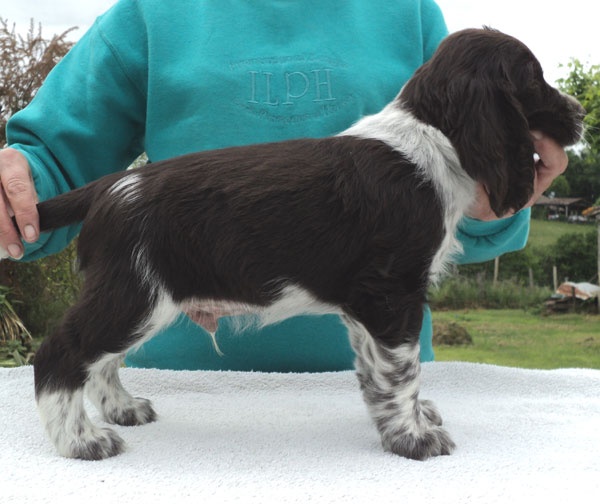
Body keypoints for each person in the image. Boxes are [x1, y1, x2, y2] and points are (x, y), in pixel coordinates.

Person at [0, 0, 567, 372]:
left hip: (379, 392)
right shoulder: (149, 11)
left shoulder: (409, 11)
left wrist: (498, 195)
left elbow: (467, 196)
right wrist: (17, 189)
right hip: (183, 394)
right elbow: (52, 166)